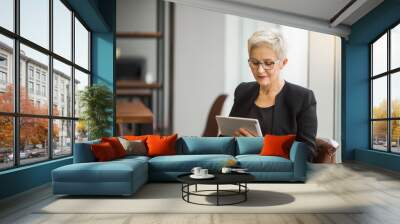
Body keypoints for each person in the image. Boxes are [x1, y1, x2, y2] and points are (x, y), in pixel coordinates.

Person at [229, 29, 318, 158]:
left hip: (278, 174)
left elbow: (307, 153)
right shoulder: (243, 91)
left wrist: (259, 146)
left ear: (283, 63)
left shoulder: (302, 98)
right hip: (240, 169)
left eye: (268, 63)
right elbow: (226, 136)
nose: (260, 70)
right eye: (254, 62)